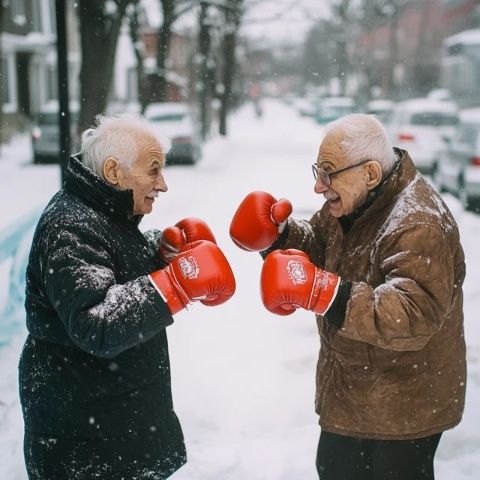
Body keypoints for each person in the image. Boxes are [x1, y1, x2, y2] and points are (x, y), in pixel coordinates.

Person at [229, 113, 466, 480]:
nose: (319, 187)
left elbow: (413, 314)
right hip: (353, 393)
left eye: (328, 173)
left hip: (401, 408)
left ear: (370, 173)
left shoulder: (417, 222)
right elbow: (323, 244)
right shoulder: (360, 201)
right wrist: (280, 237)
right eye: (317, 171)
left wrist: (324, 292)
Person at [19, 113, 236, 479]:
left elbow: (109, 268)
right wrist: (174, 284)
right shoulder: (71, 226)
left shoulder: (100, 211)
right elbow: (97, 323)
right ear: (114, 172)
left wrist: (159, 252)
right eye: (153, 171)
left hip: (112, 430)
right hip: (87, 447)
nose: (163, 184)